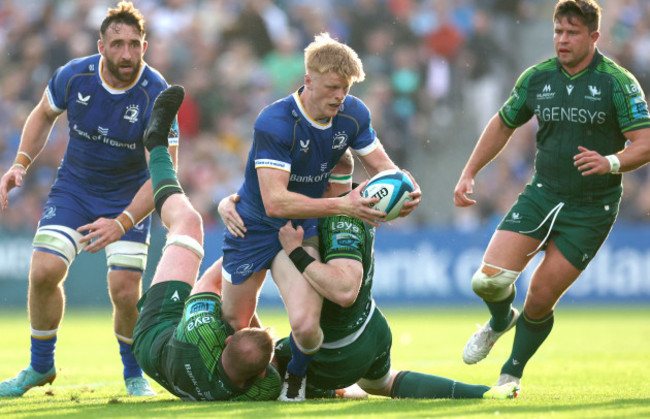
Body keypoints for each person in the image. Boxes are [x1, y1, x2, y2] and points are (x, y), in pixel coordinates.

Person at [453, 0, 650, 389]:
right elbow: (502, 124)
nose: (562, 39)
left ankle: (511, 374)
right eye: (558, 31)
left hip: (592, 208)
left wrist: (610, 162)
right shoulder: (537, 78)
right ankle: (499, 321)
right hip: (542, 195)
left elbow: (644, 143)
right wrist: (469, 172)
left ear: (593, 37)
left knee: (540, 296)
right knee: (487, 282)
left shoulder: (618, 82)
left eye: (572, 32)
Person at [219, 150, 518, 400]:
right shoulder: (347, 199)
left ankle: (317, 388)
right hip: (370, 328)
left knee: (253, 358)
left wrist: (296, 252)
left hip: (337, 346)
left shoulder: (340, 220)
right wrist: (228, 202)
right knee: (381, 383)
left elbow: (345, 290)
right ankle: (484, 394)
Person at [219, 32, 421, 400]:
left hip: (301, 226)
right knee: (235, 320)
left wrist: (405, 190)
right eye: (331, 87)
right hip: (252, 225)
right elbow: (275, 203)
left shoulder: (353, 114)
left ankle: (294, 377)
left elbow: (385, 169)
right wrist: (344, 204)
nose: (339, 96)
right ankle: (266, 370)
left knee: (307, 326)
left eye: (345, 88)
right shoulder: (275, 122)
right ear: (308, 80)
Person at [0, 1, 179, 397]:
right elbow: (42, 114)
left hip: (128, 197)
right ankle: (40, 367)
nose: (126, 53)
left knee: (125, 290)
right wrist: (20, 164)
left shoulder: (157, 94)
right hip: (75, 189)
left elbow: (163, 172)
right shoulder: (74, 75)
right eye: (117, 44)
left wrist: (122, 222)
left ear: (145, 47)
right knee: (44, 270)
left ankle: (133, 376)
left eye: (134, 44)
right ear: (101, 47)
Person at [131, 85, 281, 402]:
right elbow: (273, 374)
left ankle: (158, 146)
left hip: (154, 334)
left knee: (189, 222)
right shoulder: (262, 388)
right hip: (166, 366)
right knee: (237, 311)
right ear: (260, 374)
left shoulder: (204, 332)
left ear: (227, 342)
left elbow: (212, 282)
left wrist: (259, 244)